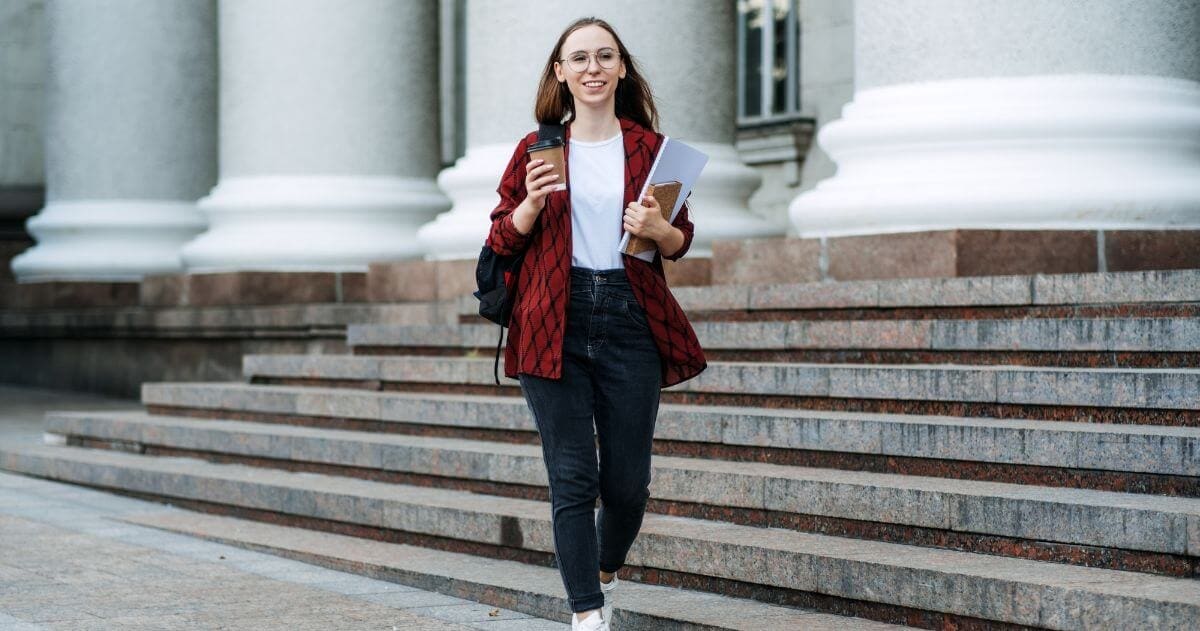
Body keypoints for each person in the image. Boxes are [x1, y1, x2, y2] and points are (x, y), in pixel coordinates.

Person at [485, 16, 707, 631]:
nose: (592, 68)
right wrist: (530, 203)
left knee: (628, 486)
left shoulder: (654, 151)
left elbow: (679, 238)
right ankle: (587, 612)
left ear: (622, 68)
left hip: (630, 314)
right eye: (578, 58)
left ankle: (605, 566)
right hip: (551, 314)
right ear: (560, 72)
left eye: (604, 56)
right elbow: (501, 235)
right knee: (574, 475)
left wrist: (659, 231)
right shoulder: (537, 150)